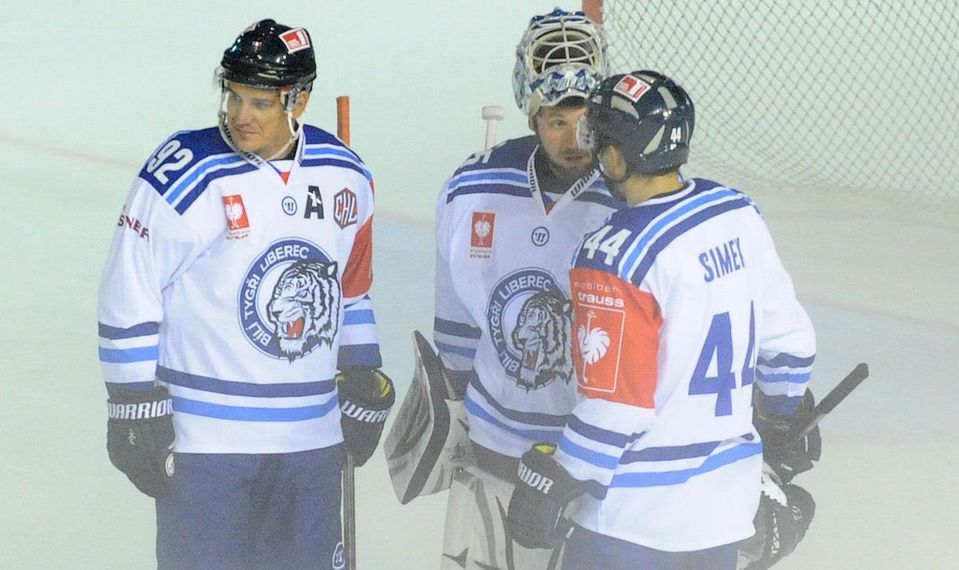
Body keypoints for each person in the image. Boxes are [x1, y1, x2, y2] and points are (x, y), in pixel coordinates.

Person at [97, 19, 394, 570]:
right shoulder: (185, 170)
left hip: (310, 442)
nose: (240, 114)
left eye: (259, 102)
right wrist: (131, 401)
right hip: (206, 446)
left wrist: (361, 370)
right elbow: (129, 290)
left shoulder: (345, 174)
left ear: (297, 100)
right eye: (233, 96)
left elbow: (351, 290)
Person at [506, 70, 819, 569]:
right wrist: (784, 416)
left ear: (615, 155)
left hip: (633, 523)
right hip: (724, 516)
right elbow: (792, 345)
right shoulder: (735, 212)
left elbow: (617, 409)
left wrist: (560, 474)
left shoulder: (615, 254)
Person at [431, 8, 623, 569]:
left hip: (591, 464)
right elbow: (457, 327)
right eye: (555, 120)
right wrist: (452, 411)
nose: (573, 138)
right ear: (531, 112)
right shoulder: (474, 186)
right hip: (496, 450)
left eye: (584, 119)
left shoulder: (630, 197)